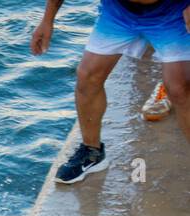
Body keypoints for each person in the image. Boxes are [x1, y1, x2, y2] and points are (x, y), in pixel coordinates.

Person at [31, 0, 190, 183]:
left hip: (173, 14)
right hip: (118, 13)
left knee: (179, 88)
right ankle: (92, 152)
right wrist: (47, 20)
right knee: (87, 76)